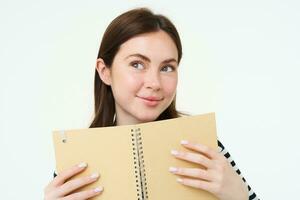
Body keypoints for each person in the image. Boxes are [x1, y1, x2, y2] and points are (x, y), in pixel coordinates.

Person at [44, 7, 259, 200]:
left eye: (167, 68)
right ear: (105, 71)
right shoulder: (75, 162)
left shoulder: (205, 150)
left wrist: (240, 197)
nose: (154, 83)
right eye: (137, 64)